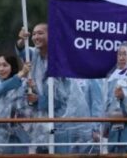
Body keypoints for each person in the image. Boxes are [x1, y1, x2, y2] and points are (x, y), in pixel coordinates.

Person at [16, 24, 88, 153]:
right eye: (34, 34)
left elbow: (61, 98)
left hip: (59, 123)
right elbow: (23, 51)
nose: (36, 37)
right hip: (41, 122)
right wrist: (21, 40)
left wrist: (38, 100)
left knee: (59, 151)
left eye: (40, 33)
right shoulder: (35, 55)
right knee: (41, 152)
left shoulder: (60, 59)